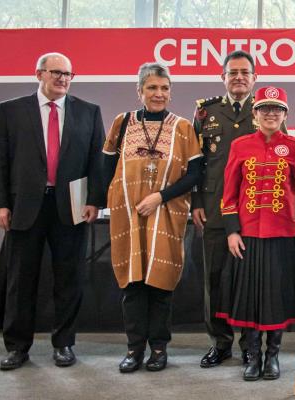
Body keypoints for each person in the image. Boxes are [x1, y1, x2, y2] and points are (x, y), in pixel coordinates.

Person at [0, 52, 103, 370]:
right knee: (20, 280)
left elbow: (98, 161)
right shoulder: (11, 111)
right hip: (25, 208)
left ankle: (64, 344)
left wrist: (94, 200)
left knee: (69, 278)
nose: (63, 79)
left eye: (68, 74)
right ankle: (17, 347)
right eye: (56, 72)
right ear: (39, 73)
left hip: (71, 208)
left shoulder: (89, 112)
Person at [102, 62, 203, 373]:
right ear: (140, 91)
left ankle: (159, 349)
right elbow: (105, 169)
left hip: (166, 215)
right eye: (152, 88)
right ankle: (134, 349)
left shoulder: (184, 127)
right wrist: (97, 203)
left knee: (160, 285)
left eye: (164, 88)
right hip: (129, 216)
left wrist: (160, 197)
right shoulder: (122, 123)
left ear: (170, 92)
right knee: (133, 284)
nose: (158, 94)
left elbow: (196, 174)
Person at [216, 86, 295, 381]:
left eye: (277, 109)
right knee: (251, 298)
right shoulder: (240, 145)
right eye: (265, 108)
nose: (271, 113)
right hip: (248, 235)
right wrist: (232, 231)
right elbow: (228, 193)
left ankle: (273, 356)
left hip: (284, 233)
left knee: (277, 297)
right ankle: (253, 357)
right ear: (255, 114)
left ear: (285, 115)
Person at [191, 50, 259, 368]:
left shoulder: (267, 112)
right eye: (232, 72)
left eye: (245, 72)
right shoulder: (206, 112)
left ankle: (249, 344)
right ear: (223, 77)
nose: (239, 77)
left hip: (254, 211)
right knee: (214, 278)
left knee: (248, 279)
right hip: (215, 209)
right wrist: (195, 203)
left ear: (254, 78)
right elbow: (195, 164)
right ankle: (220, 343)